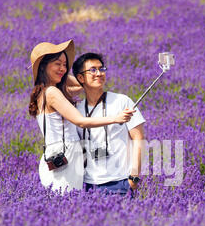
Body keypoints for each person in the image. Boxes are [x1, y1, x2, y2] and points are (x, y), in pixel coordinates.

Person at [28, 40, 134, 194]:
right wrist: (115, 118)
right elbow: (81, 121)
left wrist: (62, 72)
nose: (63, 69)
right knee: (66, 203)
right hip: (65, 156)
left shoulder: (46, 91)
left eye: (65, 65)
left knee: (67, 203)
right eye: (58, 64)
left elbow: (79, 85)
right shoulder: (52, 93)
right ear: (44, 66)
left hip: (62, 155)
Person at [72, 53, 146, 196]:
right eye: (92, 70)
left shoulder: (122, 101)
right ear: (80, 78)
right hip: (87, 184)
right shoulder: (77, 110)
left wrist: (134, 177)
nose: (99, 73)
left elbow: (139, 139)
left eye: (102, 69)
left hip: (120, 182)